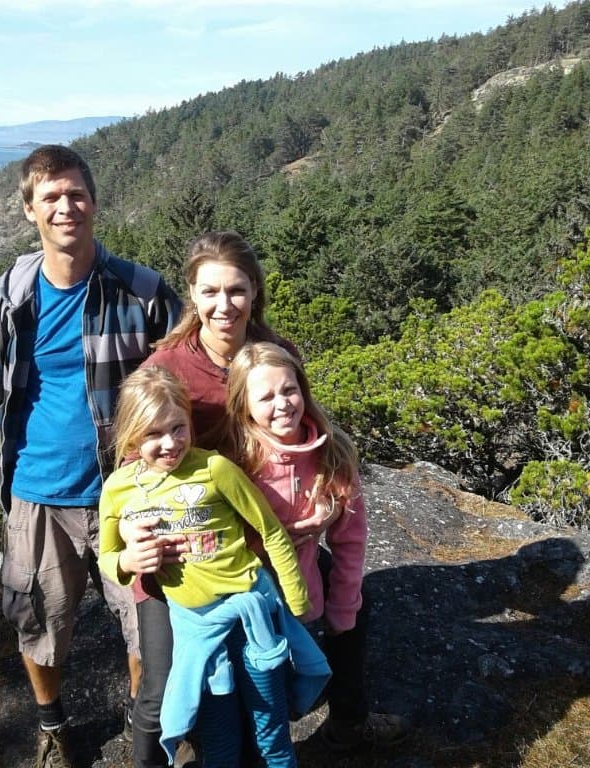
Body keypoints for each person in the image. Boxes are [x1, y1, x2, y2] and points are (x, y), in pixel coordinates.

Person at [0, 144, 181, 768]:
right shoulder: (9, 300)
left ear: (95, 201)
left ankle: (145, 724)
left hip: (132, 492)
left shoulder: (141, 292)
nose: (66, 207)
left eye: (76, 194)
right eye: (51, 197)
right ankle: (52, 726)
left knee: (148, 622)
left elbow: (183, 377)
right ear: (29, 209)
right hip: (38, 494)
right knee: (40, 622)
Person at [119, 230, 337, 768]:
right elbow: (130, 462)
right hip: (179, 555)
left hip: (253, 549)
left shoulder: (276, 354)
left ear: (255, 290)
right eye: (210, 291)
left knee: (324, 628)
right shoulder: (167, 368)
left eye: (236, 290)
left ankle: (350, 724)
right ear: (191, 295)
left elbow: (304, 433)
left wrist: (321, 499)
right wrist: (128, 535)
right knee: (162, 686)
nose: (224, 305)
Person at [98, 366, 330, 768]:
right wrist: (127, 561)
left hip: (252, 617)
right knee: (220, 742)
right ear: (132, 435)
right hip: (197, 631)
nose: (170, 443)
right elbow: (107, 555)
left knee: (271, 734)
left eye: (178, 428)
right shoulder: (118, 489)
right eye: (153, 434)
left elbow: (270, 531)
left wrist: (295, 602)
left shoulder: (215, 469)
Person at [221, 341, 410, 751]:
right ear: (243, 406)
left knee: (355, 607)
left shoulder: (331, 451)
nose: (282, 404)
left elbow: (350, 538)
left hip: (304, 580)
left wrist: (343, 607)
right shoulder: (233, 462)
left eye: (289, 390)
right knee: (264, 689)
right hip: (249, 591)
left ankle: (348, 723)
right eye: (265, 397)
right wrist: (280, 535)